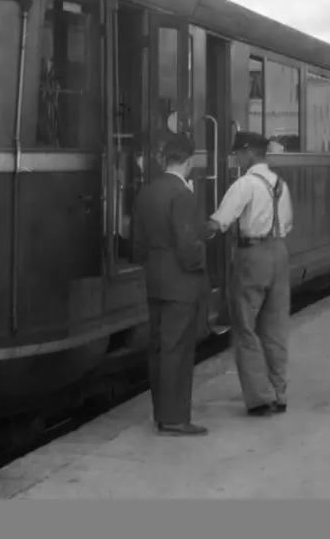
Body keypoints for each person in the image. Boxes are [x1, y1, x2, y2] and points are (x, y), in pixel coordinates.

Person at [205, 131, 294, 416]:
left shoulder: (244, 184)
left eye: (237, 154)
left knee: (245, 327)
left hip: (252, 256)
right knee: (275, 328)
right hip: (279, 254)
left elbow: (219, 222)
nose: (235, 158)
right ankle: (279, 394)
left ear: (247, 153)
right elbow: (288, 224)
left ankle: (260, 398)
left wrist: (191, 233)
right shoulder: (281, 184)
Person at [132, 133, 209, 437]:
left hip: (154, 279)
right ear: (188, 162)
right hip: (181, 282)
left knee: (159, 348)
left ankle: (162, 414)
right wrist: (198, 266)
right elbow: (187, 243)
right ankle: (176, 418)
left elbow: (137, 245)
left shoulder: (146, 192)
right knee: (178, 348)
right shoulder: (183, 195)